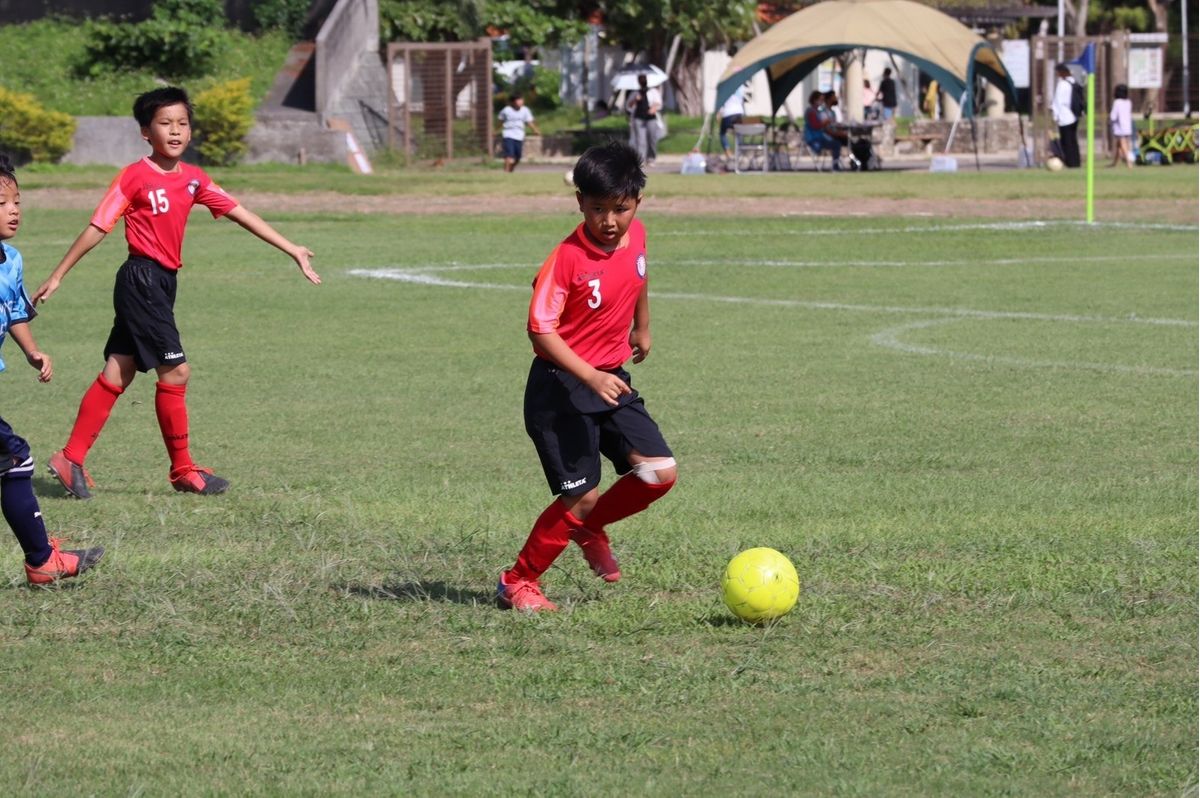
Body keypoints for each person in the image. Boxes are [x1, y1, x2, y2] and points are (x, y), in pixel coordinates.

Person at [33, 86, 321, 500]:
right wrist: (59, 274)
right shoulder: (134, 175)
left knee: (121, 368)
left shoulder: (193, 178)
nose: (175, 131)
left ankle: (70, 458)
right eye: (165, 123)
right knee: (177, 371)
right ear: (145, 132)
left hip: (162, 283)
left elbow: (240, 213)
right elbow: (99, 225)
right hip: (141, 280)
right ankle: (183, 470)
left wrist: (292, 247)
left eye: (182, 123)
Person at [497, 141, 677, 612]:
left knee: (659, 473)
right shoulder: (566, 259)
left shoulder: (635, 235)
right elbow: (540, 331)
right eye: (598, 209)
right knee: (580, 497)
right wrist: (590, 375)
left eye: (621, 208)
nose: (611, 221)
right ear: (579, 203)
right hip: (561, 388)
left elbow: (637, 274)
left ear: (637, 201)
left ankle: (591, 527)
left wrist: (643, 324)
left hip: (609, 377)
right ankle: (517, 581)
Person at [0, 155, 104, 583]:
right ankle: (43, 562)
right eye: (2, 202)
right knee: (14, 458)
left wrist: (32, 351)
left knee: (10, 458)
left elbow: (15, 309)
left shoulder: (11, 259)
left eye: (16, 200)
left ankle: (43, 560)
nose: (14, 210)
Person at [498, 94, 541, 173]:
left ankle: (510, 169)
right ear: (513, 102)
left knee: (518, 156)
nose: (521, 101)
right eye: (519, 100)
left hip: (519, 135)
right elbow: (500, 121)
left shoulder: (525, 110)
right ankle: (506, 172)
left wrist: (535, 130)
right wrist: (496, 130)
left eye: (522, 100)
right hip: (508, 134)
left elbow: (529, 122)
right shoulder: (506, 110)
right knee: (509, 155)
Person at [627, 74, 662, 166]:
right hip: (639, 118)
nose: (642, 81)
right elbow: (628, 106)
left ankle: (651, 158)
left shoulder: (653, 91)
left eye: (643, 79)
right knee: (641, 140)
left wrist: (654, 108)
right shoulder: (635, 93)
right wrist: (635, 99)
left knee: (652, 139)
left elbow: (659, 103)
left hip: (651, 118)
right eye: (640, 79)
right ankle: (641, 159)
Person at [803, 90, 843, 170]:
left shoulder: (817, 111)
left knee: (837, 142)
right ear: (815, 100)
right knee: (836, 144)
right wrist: (824, 123)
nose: (822, 102)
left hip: (819, 136)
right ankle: (835, 166)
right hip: (814, 138)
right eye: (820, 100)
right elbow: (815, 126)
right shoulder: (811, 111)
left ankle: (836, 165)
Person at [1051, 63, 1081, 168]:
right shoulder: (1074, 82)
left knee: (1066, 141)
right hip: (1074, 116)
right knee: (1073, 140)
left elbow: (1057, 101)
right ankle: (1076, 162)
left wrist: (1055, 116)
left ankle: (1070, 162)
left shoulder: (1062, 84)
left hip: (1064, 117)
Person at [719, 83, 746, 160]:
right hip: (739, 112)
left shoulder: (725, 85)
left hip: (728, 113)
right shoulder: (741, 86)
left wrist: (720, 112)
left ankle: (728, 151)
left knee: (722, 133)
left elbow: (722, 101)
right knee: (739, 132)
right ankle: (739, 151)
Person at [1109, 83, 1134, 168]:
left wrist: (1111, 120)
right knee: (1119, 145)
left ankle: (1128, 162)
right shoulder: (1128, 102)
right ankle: (1115, 163)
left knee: (1123, 144)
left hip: (1119, 127)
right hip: (1127, 126)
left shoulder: (1117, 102)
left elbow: (1113, 116)